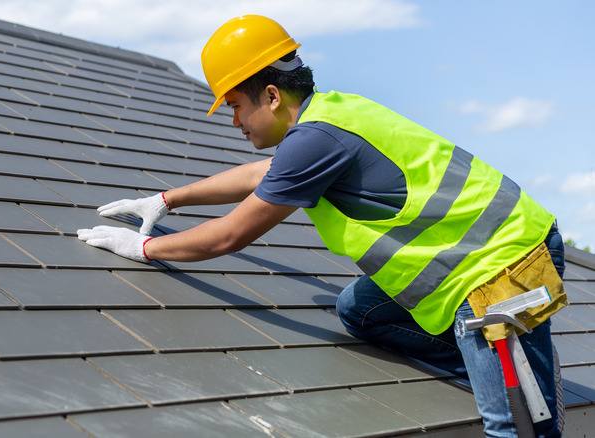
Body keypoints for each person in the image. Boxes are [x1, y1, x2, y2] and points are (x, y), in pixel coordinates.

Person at [77, 15, 567, 437]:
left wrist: (143, 250)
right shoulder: (328, 115)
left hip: (502, 268)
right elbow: (258, 175)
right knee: (359, 311)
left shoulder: (316, 139)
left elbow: (230, 235)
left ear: (269, 96)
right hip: (478, 258)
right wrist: (165, 200)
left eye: (234, 105)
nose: (234, 122)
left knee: (517, 428)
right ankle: (501, 370)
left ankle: (516, 383)